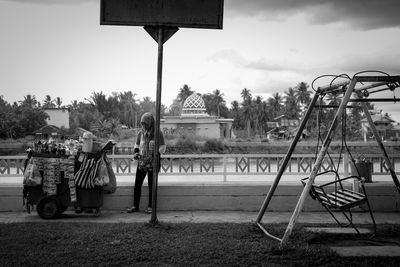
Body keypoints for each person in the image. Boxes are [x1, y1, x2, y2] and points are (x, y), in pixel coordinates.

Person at [127, 112, 166, 213]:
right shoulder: (141, 133)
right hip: (142, 163)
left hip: (153, 163)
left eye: (146, 124)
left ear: (151, 123)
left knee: (151, 186)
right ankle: (135, 206)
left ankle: (150, 207)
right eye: (142, 124)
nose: (144, 126)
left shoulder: (158, 133)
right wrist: (136, 153)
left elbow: (163, 147)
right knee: (137, 184)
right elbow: (136, 145)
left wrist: (155, 153)